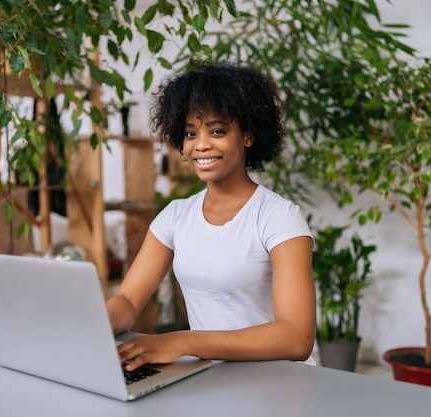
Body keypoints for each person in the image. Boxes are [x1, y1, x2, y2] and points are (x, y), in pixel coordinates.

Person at [106, 61, 316, 371]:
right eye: (191, 133)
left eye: (217, 131)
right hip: (210, 377)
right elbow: (127, 300)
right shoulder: (176, 216)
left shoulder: (278, 218)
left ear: (247, 136)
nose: (201, 144)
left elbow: (296, 338)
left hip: (279, 383)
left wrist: (182, 342)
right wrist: (90, 327)